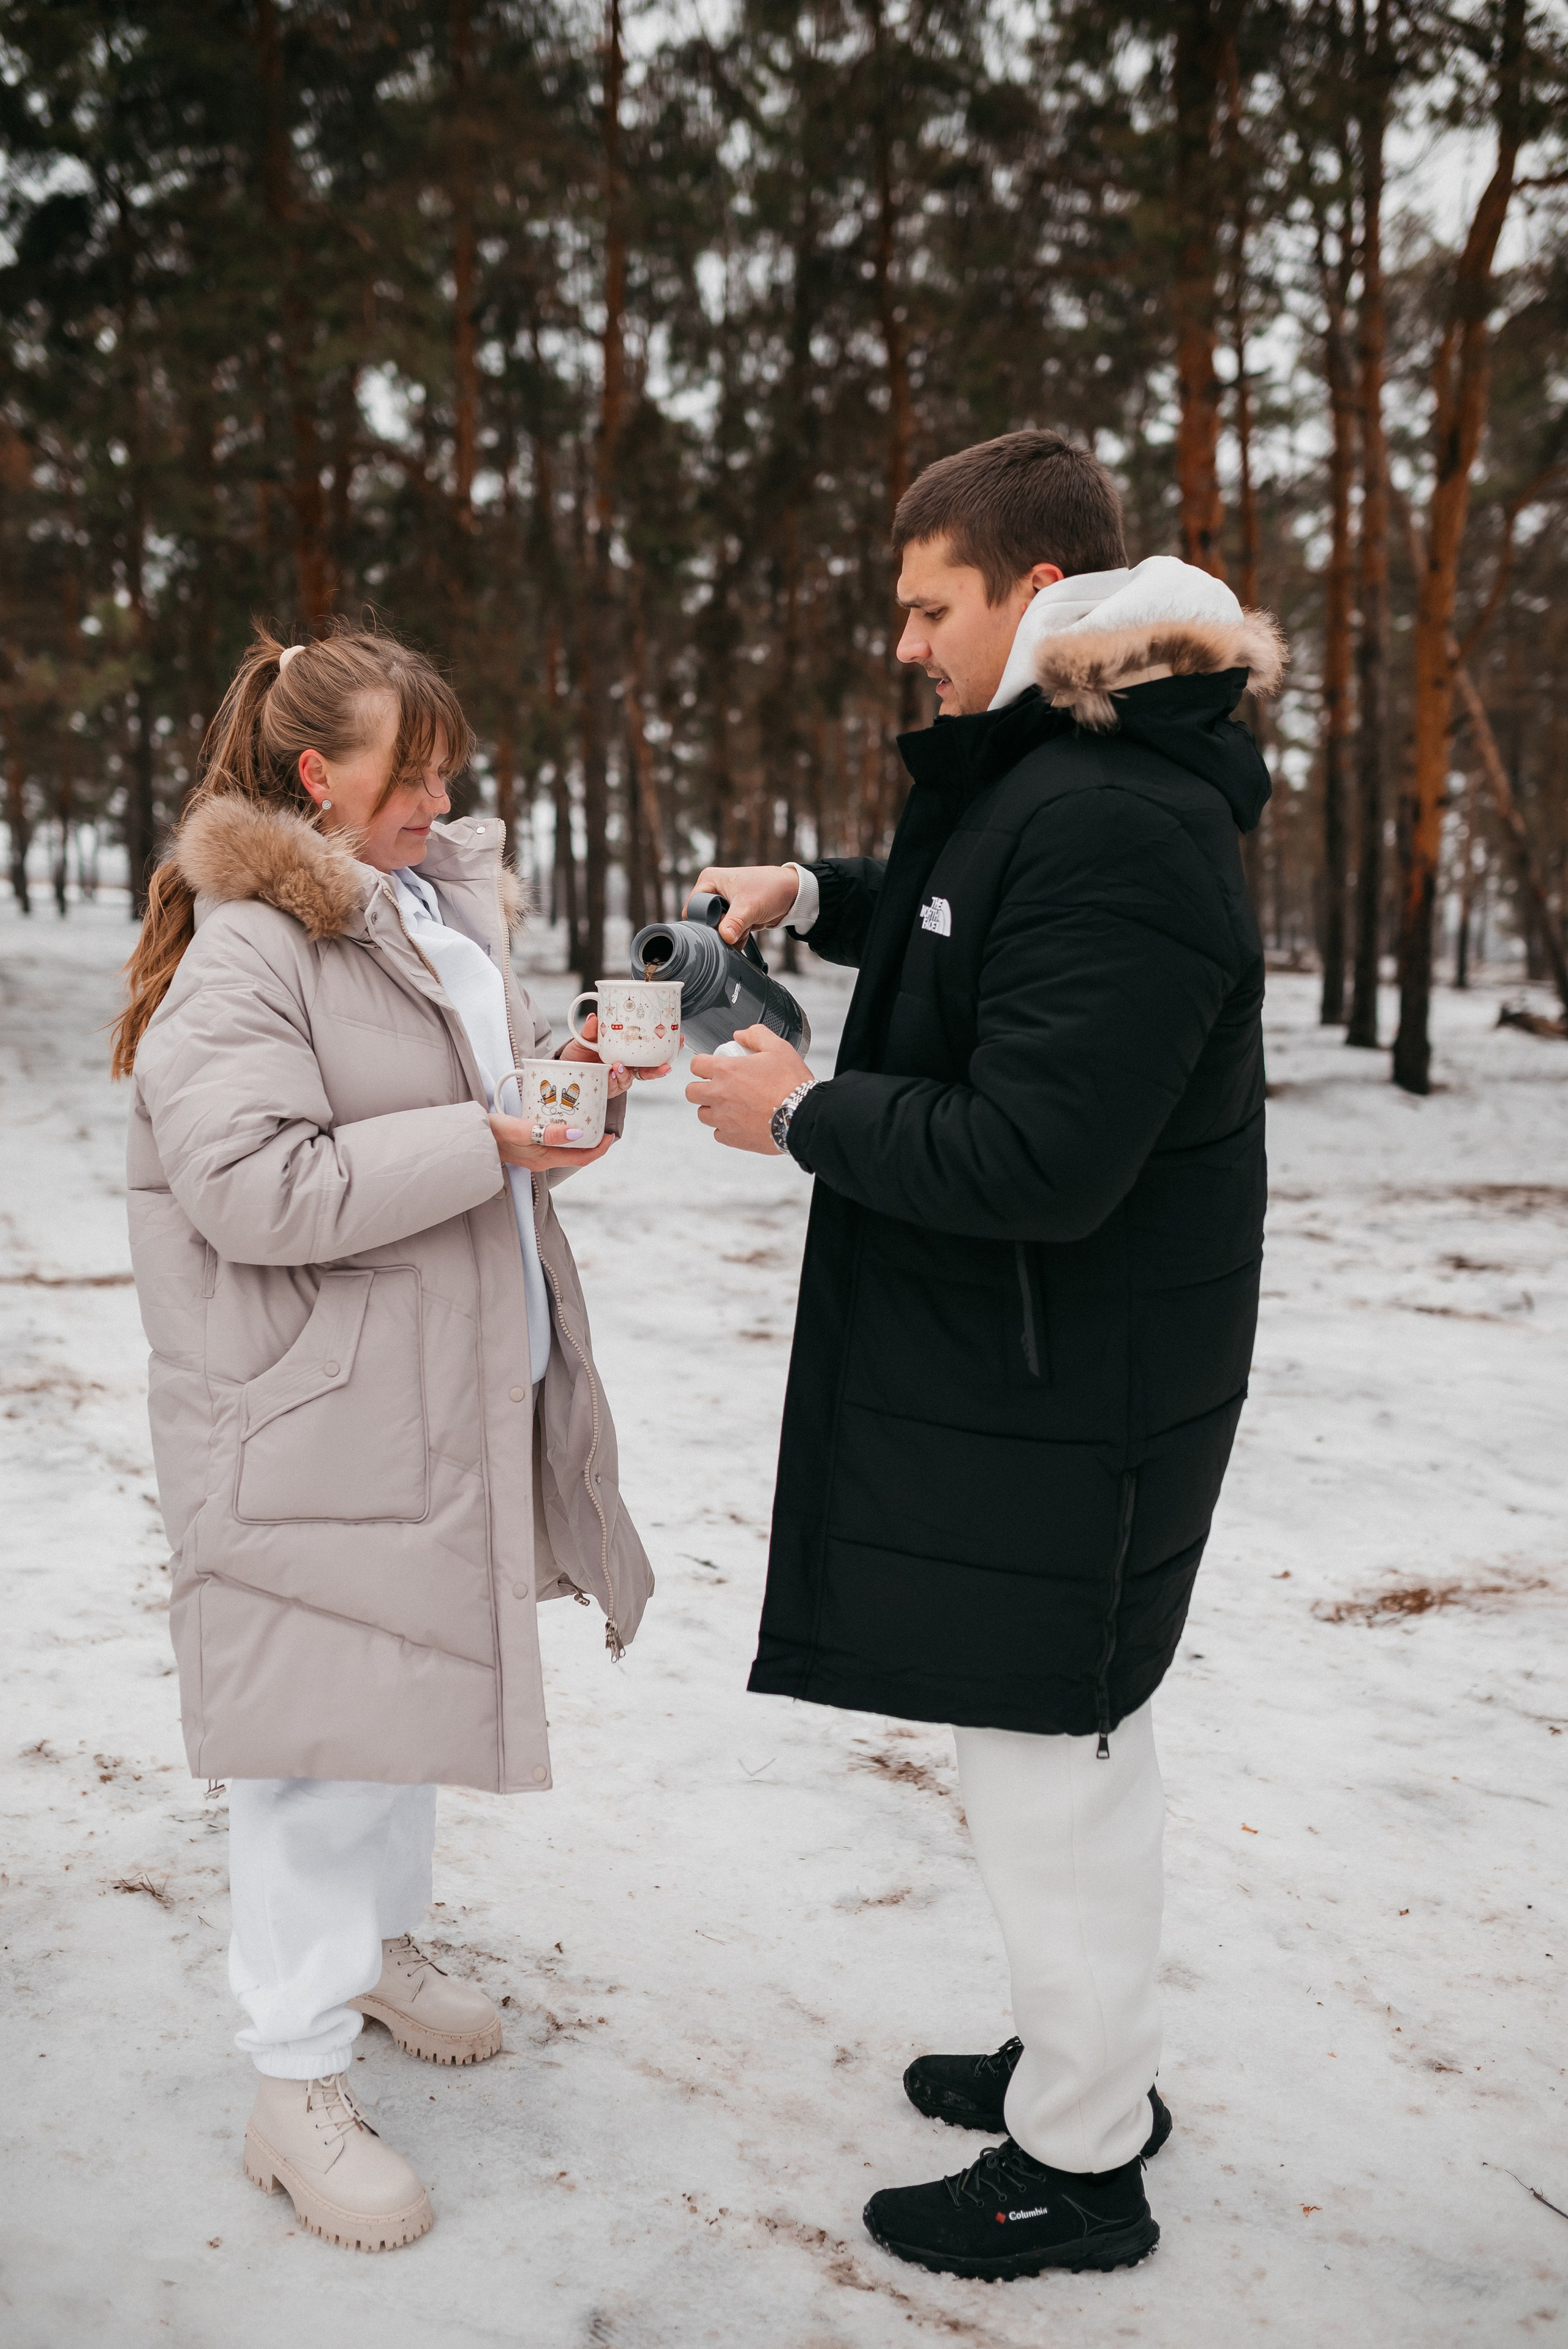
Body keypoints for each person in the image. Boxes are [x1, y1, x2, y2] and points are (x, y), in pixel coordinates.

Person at [685, 429, 1282, 2282]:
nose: (906, 644)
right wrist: (823, 893)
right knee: (1047, 1749)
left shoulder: (1110, 810)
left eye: (927, 607)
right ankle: (1077, 2058)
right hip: (1046, 1378)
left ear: (1033, 598)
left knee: (1057, 1769)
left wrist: (801, 1115)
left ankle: (1080, 2164)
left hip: (1073, 1391)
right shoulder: (1075, 769)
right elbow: (982, 932)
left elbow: (1039, 1147)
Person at [113, 621, 662, 2252]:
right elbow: (254, 1185)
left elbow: (453, 1114)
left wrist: (555, 1094)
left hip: (430, 1386)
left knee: (404, 1681)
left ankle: (374, 1946)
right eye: (409, 770)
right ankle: (293, 2078)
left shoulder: (420, 909)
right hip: (311, 1413)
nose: (440, 792)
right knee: (313, 1740)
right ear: (315, 777)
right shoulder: (250, 952)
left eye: (444, 766)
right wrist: (483, 1135)